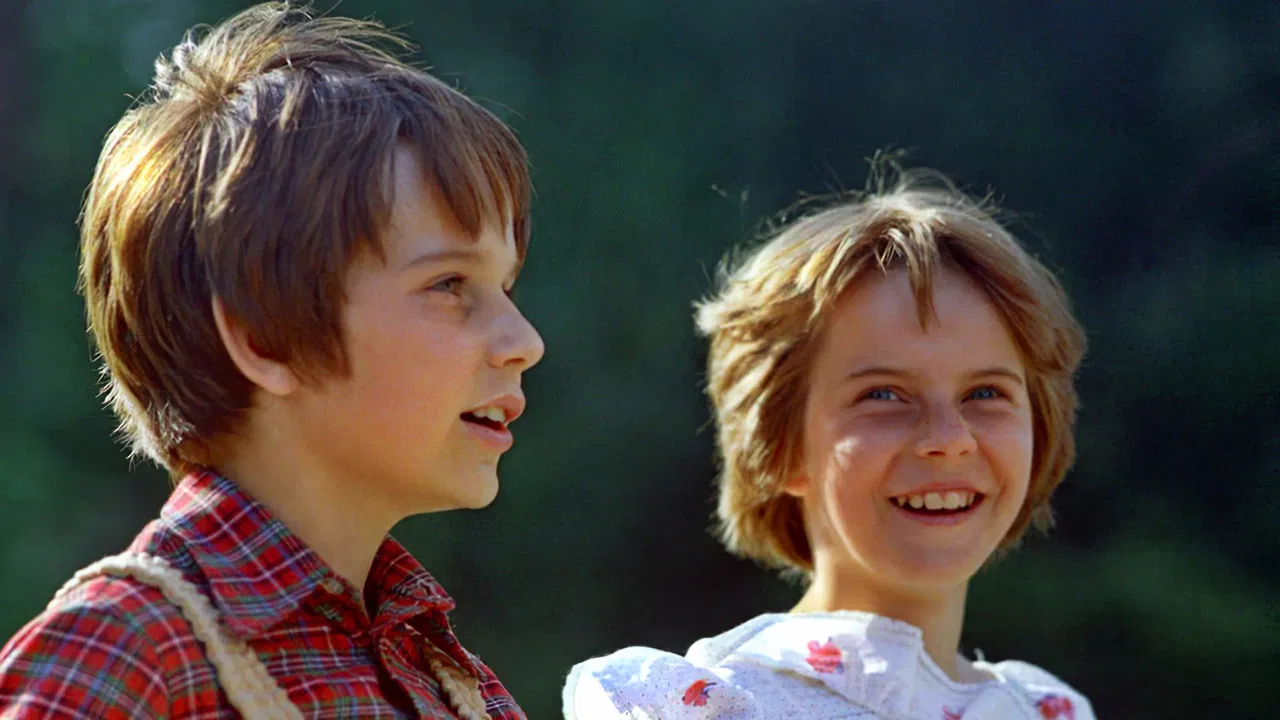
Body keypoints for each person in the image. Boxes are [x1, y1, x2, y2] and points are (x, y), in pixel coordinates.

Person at [0, 3, 543, 718]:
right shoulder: (127, 653)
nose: (524, 341)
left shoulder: (452, 679)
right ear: (265, 339)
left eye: (506, 288)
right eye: (449, 285)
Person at [564, 167, 1095, 719]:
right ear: (781, 445)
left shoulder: (1050, 712)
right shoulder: (704, 707)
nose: (949, 439)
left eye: (985, 393)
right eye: (883, 395)